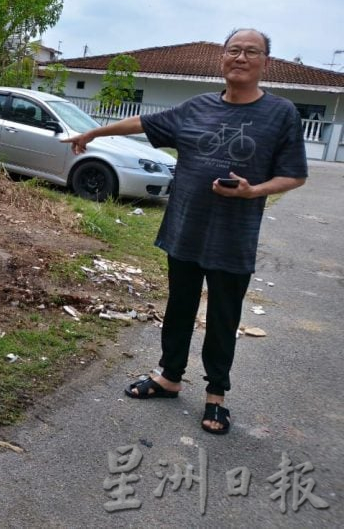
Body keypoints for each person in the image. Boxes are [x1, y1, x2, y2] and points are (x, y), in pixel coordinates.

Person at [62, 29, 307, 434]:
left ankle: (216, 395)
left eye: (251, 52)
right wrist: (93, 133)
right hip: (185, 230)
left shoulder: (281, 113)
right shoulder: (197, 107)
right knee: (179, 307)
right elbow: (143, 121)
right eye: (233, 50)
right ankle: (169, 377)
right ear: (222, 58)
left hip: (233, 237)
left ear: (265, 62)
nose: (241, 57)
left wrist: (253, 191)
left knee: (224, 317)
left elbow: (295, 174)